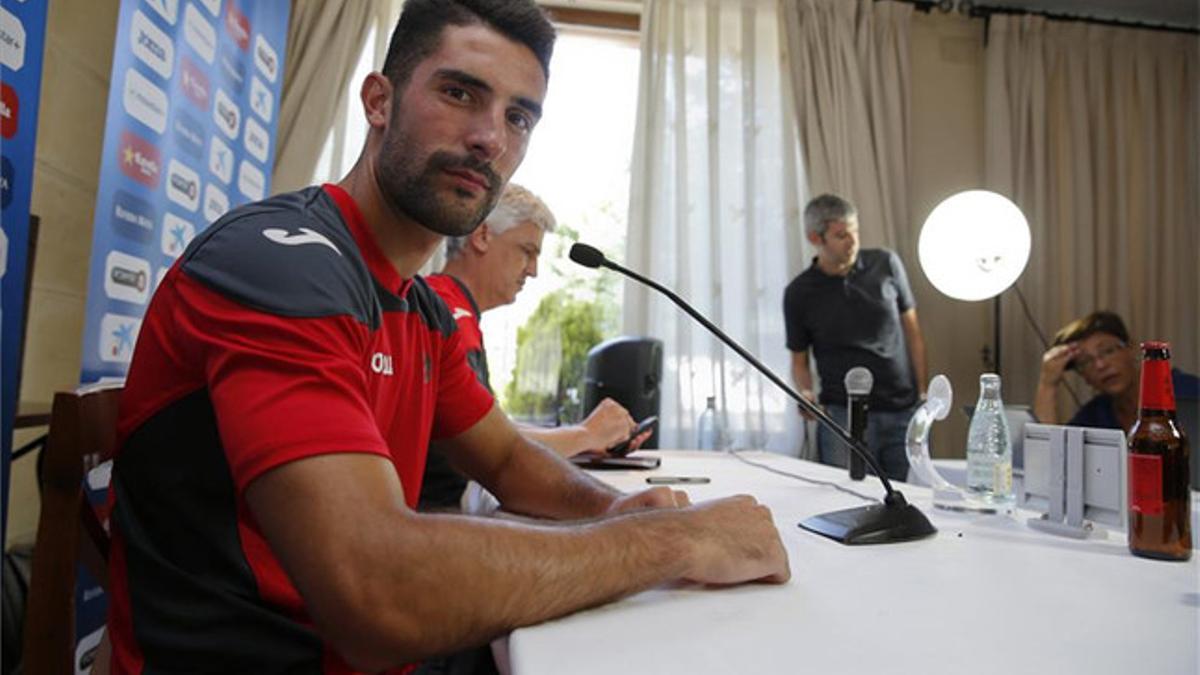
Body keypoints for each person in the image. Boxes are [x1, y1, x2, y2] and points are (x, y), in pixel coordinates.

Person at [104, 2, 788, 673]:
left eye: (519, 117)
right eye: (461, 93)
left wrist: (613, 506)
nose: (491, 138)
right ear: (379, 100)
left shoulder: (420, 309)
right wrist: (670, 540)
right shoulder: (280, 261)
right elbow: (376, 592)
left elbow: (508, 461)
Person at [421, 183, 648, 510]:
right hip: (439, 519)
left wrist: (580, 438)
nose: (534, 270)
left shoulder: (450, 306)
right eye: (527, 251)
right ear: (482, 236)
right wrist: (585, 435)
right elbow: (483, 448)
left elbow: (490, 427)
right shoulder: (450, 313)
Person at [783, 194, 929, 481]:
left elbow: (913, 332)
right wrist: (806, 393)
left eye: (855, 232)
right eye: (841, 235)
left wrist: (922, 392)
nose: (852, 241)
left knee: (909, 499)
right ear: (815, 237)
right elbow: (799, 361)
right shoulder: (799, 293)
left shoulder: (886, 263)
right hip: (842, 417)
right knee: (847, 500)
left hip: (902, 409)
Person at [1034, 310, 1199, 432]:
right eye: (1086, 362)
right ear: (1084, 377)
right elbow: (1050, 454)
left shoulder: (1187, 392)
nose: (1100, 365)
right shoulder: (1096, 415)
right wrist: (1048, 384)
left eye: (1108, 351)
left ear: (1131, 349)